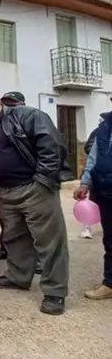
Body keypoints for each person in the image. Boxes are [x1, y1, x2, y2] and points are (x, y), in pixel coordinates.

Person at [0, 94, 69, 315]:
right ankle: (18, 277)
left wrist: (42, 181)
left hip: (34, 189)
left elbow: (52, 147)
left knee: (49, 241)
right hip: (4, 192)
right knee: (14, 238)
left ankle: (55, 292)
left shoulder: (27, 115)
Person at [74, 106, 112, 300]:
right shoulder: (104, 128)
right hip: (105, 192)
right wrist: (85, 183)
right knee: (110, 240)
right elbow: (93, 158)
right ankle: (110, 283)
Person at [78, 124, 100, 240]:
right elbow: (91, 153)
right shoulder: (100, 131)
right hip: (100, 177)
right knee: (93, 202)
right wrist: (85, 183)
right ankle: (87, 226)